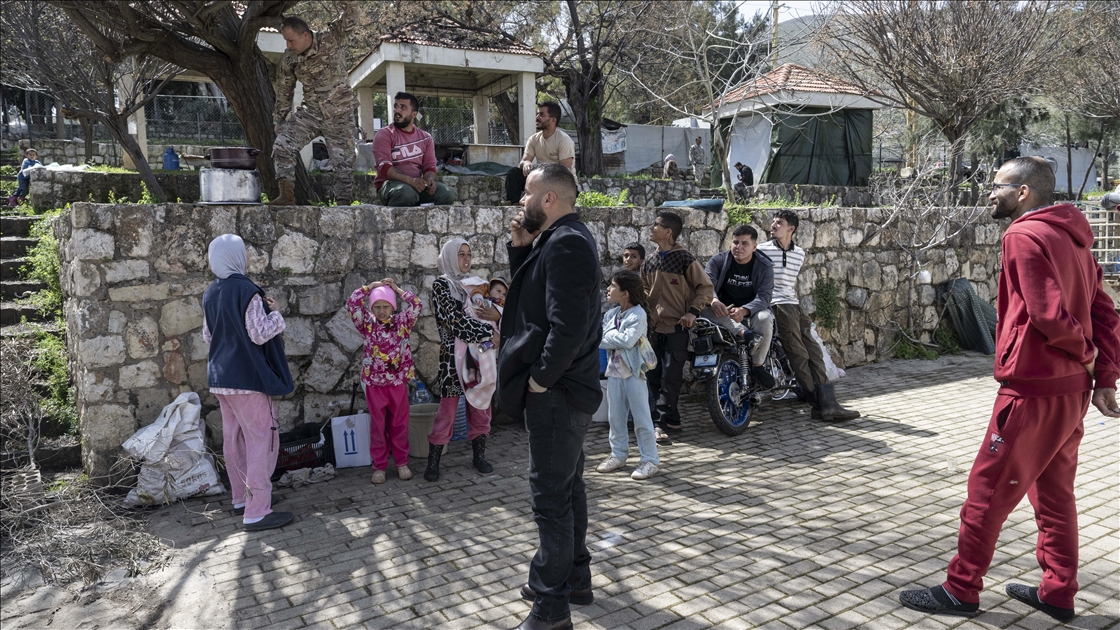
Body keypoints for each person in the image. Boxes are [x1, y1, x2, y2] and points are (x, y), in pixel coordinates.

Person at [899, 157, 1120, 622]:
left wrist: (1089, 357)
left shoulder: (1023, 234)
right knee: (1054, 495)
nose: (989, 192)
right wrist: (1103, 376)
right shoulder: (1076, 239)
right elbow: (1105, 311)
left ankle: (961, 589)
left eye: (997, 185)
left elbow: (1047, 314)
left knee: (987, 489)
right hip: (1072, 393)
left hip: (1033, 388)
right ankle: (1057, 593)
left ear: (1023, 192)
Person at [497, 163, 603, 630]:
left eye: (527, 193)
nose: (521, 200)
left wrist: (540, 379)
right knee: (567, 488)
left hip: (558, 392)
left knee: (550, 498)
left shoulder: (567, 244)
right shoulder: (557, 240)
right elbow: (534, 307)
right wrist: (521, 250)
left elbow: (569, 327)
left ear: (549, 199)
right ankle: (575, 578)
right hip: (563, 390)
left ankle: (551, 605)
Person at [202, 234, 295, 532]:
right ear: (237, 256)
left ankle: (242, 499)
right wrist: (277, 315)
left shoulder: (210, 293)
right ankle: (257, 512)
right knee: (260, 440)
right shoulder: (247, 290)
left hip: (220, 378)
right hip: (247, 377)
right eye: (244, 252)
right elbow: (259, 333)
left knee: (234, 440)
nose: (248, 257)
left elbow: (208, 336)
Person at [757, 210, 860, 422]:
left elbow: (791, 280)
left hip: (794, 305)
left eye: (779, 223)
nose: (773, 225)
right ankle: (819, 404)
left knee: (814, 351)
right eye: (773, 222)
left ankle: (828, 403)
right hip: (776, 304)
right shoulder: (762, 250)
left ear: (791, 228)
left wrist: (793, 294)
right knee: (798, 353)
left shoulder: (799, 253)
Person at [425, 239, 502, 481]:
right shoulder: (442, 285)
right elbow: (454, 322)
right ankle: (433, 462)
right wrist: (490, 333)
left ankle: (479, 457)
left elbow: (494, 311)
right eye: (461, 254)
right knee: (447, 411)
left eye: (469, 254)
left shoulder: (475, 285)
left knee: (480, 407)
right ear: (449, 256)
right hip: (451, 359)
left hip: (478, 356)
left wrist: (496, 320)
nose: (466, 259)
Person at [270, 9, 358, 206]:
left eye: (291, 41)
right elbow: (284, 90)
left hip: (339, 114)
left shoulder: (332, 37)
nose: (288, 45)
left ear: (305, 35)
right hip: (311, 113)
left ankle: (343, 206)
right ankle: (286, 196)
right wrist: (279, 119)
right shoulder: (289, 59)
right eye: (286, 41)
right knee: (282, 144)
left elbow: (351, 15)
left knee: (343, 163)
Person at [642, 211, 714, 436]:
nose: (651, 227)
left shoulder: (685, 258)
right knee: (653, 378)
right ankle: (671, 422)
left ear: (668, 232)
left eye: (656, 224)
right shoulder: (649, 261)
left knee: (670, 379)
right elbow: (644, 290)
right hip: (653, 330)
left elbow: (706, 288)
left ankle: (660, 424)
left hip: (677, 330)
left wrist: (693, 312)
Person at [346, 278, 422, 485]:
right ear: (372, 308)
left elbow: (417, 304)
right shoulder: (367, 323)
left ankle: (401, 462)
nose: (381, 311)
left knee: (399, 424)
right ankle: (379, 466)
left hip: (397, 383)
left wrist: (397, 290)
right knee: (378, 425)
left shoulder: (403, 322)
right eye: (377, 307)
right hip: (375, 384)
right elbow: (352, 304)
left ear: (393, 307)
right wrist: (369, 288)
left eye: (385, 306)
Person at [596, 270, 660, 481]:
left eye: (613, 286)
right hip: (614, 371)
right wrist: (615, 336)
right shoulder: (611, 314)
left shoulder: (638, 314)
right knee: (615, 416)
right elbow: (601, 339)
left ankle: (650, 459)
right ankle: (618, 454)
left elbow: (627, 340)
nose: (608, 289)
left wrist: (610, 335)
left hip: (633, 372)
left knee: (641, 417)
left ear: (625, 293)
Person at [703, 224, 776, 389]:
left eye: (744, 243)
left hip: (752, 311)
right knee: (701, 309)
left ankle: (757, 366)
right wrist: (714, 300)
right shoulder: (718, 260)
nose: (739, 247)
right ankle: (746, 334)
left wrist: (745, 310)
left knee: (765, 318)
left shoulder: (765, 266)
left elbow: (765, 297)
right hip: (723, 310)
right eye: (735, 242)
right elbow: (706, 285)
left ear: (754, 247)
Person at [372, 92, 456, 207]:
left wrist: (430, 180)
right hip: (390, 185)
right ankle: (394, 217)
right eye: (396, 106)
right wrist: (411, 181)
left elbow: (429, 166)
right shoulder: (384, 134)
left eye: (403, 107)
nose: (397, 111)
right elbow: (385, 167)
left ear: (414, 114)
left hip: (416, 185)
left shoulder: (425, 138)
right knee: (406, 194)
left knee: (448, 194)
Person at [505, 102, 576, 204]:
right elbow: (522, 162)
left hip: (562, 183)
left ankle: (531, 198)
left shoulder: (564, 140)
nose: (537, 117)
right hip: (541, 178)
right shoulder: (533, 139)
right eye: (537, 114)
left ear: (553, 120)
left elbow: (565, 172)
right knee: (514, 173)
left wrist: (542, 180)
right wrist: (526, 163)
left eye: (541, 115)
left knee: (548, 181)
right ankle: (513, 204)